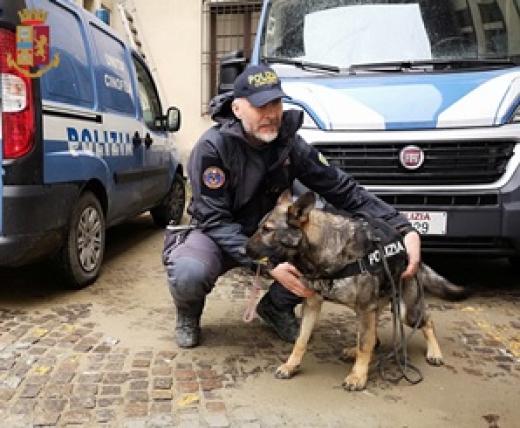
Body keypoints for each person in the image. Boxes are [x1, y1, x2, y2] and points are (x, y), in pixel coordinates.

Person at [163, 64, 421, 348]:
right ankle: (188, 314)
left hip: (274, 235)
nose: (271, 114)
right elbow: (214, 220)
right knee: (189, 270)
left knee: (321, 247)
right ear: (237, 109)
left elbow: (343, 189)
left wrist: (401, 226)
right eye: (261, 106)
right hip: (220, 232)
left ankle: (275, 307)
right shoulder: (212, 149)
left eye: (276, 103)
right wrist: (269, 264)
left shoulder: (290, 144)